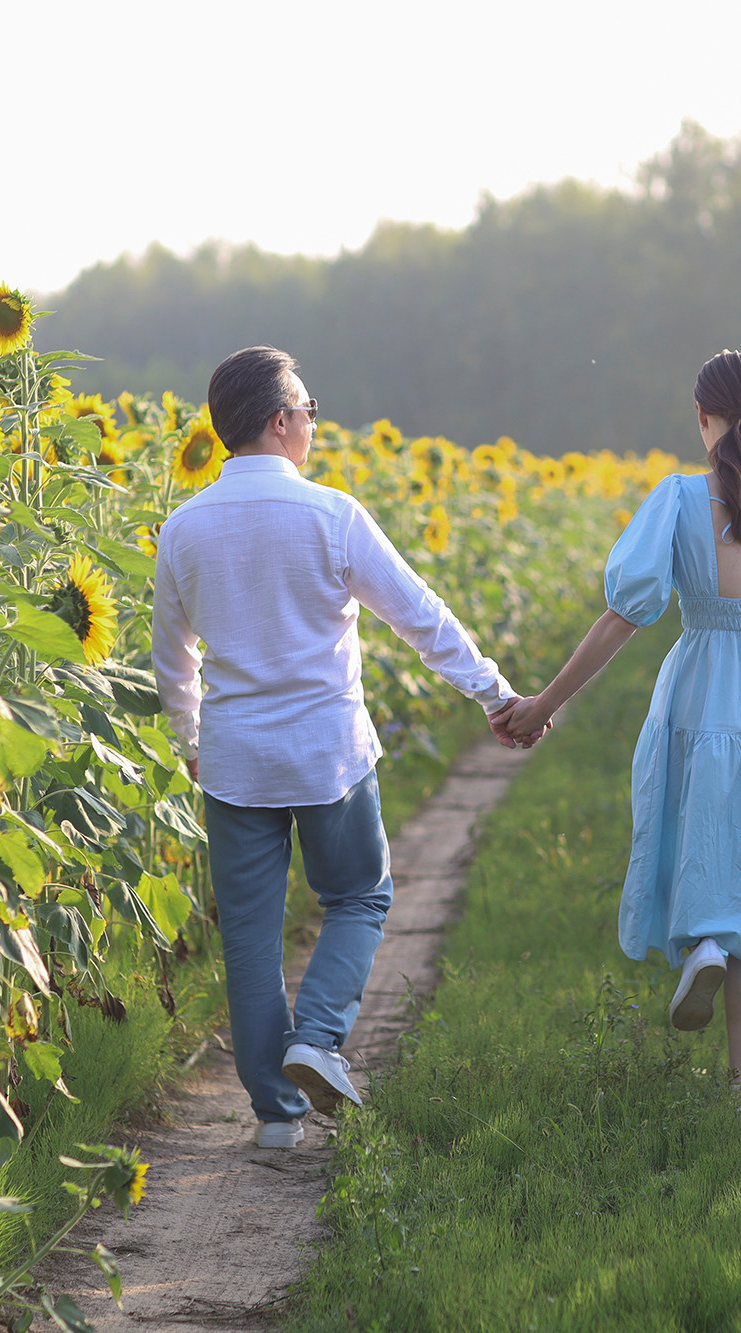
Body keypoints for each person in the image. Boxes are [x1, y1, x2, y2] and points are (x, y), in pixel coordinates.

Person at [153, 346, 545, 1150]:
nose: (313, 421)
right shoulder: (331, 515)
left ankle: (276, 1117)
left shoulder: (183, 528)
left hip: (234, 759)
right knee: (360, 894)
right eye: (308, 409)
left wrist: (190, 740)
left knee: (250, 937)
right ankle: (318, 1036)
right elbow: (418, 614)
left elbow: (172, 657)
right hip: (326, 751)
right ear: (279, 420)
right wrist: (494, 693)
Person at [498, 349, 741, 1085]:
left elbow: (621, 618)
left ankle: (705, 942)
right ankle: (737, 1086)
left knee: (705, 837)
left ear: (701, 416)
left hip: (702, 692)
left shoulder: (676, 500)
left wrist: (543, 703)